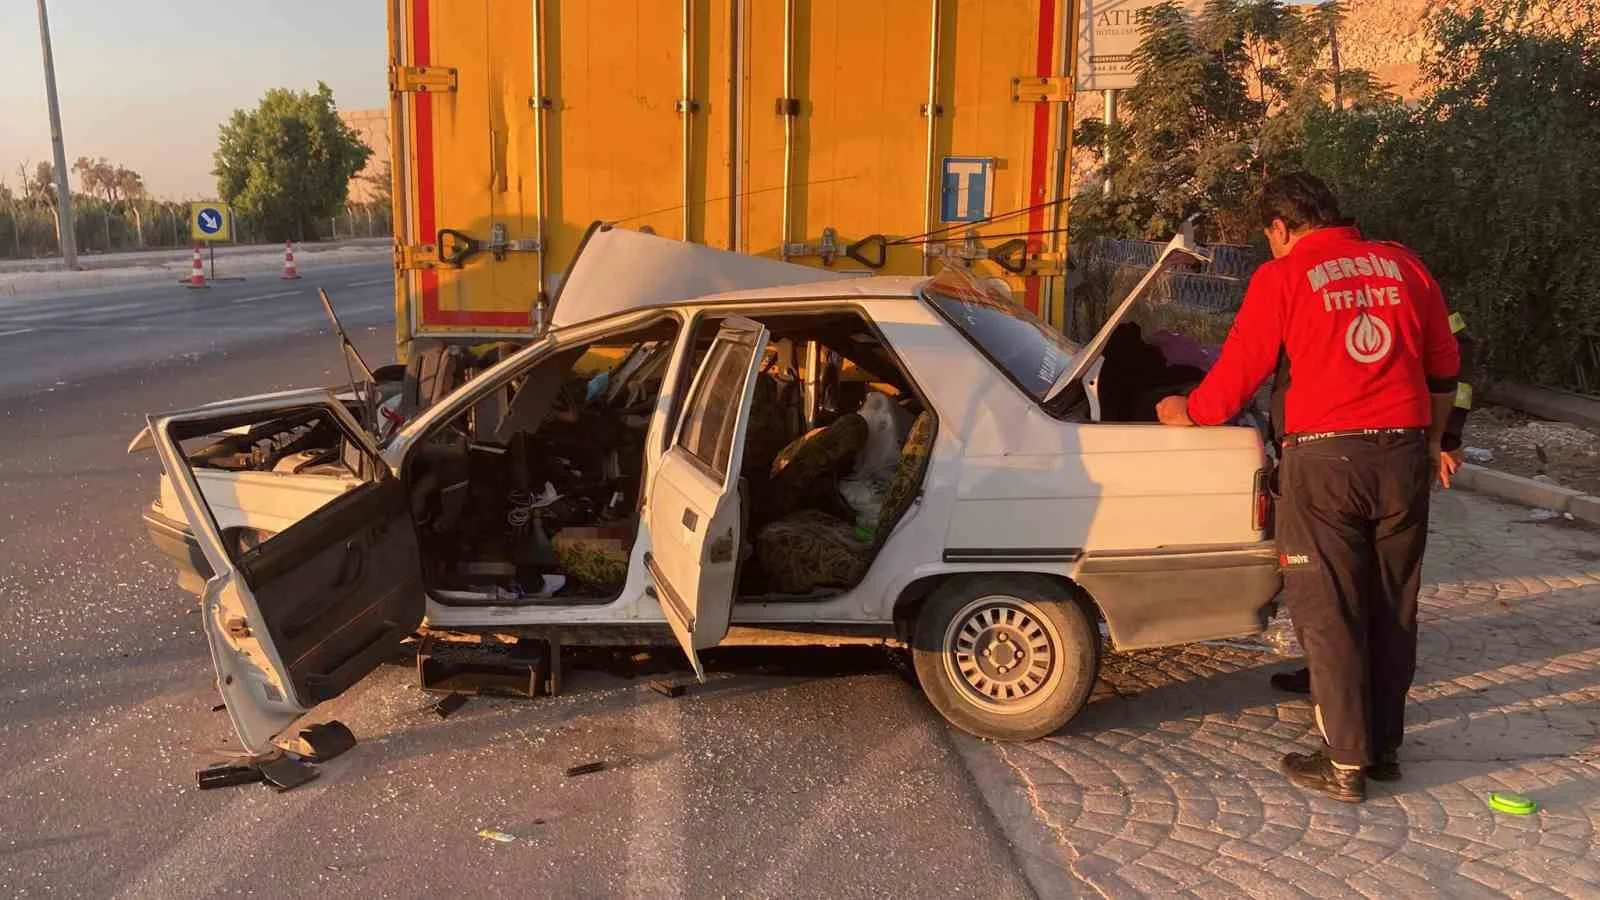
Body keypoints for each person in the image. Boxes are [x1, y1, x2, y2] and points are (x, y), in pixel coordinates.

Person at [1155, 172, 1460, 804]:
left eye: (1269, 235)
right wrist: (1434, 444)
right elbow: (1444, 368)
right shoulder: (1406, 267)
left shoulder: (1285, 275)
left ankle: (1344, 761)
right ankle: (1384, 748)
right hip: (1403, 457)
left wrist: (1190, 411)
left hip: (1325, 463)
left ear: (1280, 227)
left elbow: (1239, 373)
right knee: (1392, 602)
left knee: (1329, 608)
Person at [1269, 313, 1477, 695]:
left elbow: (1454, 359)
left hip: (1377, 450)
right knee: (1336, 581)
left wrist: (1447, 435)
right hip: (1317, 446)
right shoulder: (1313, 286)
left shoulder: (1404, 285)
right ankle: (1335, 674)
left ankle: (1356, 687)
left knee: (1371, 581)